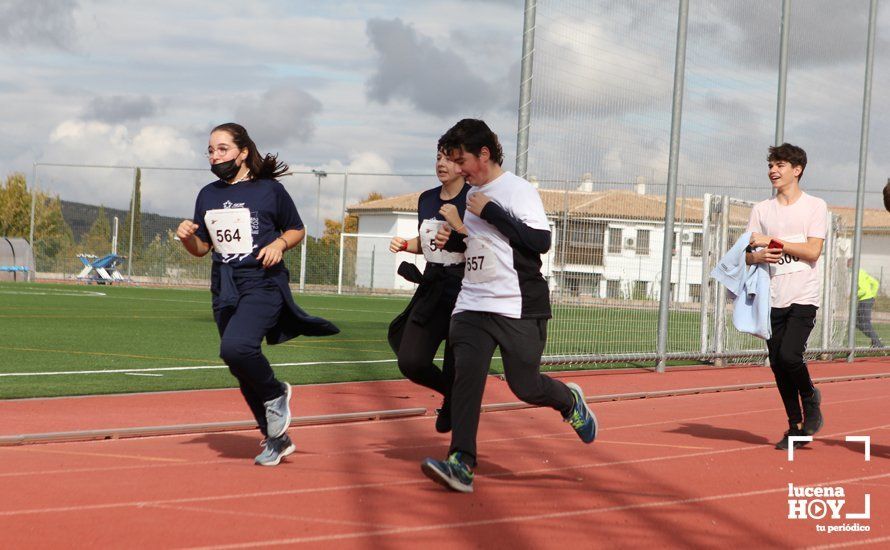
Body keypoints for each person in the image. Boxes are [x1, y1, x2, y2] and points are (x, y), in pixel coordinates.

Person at [420, 119, 598, 493]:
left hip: (517, 305)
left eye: (461, 159)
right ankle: (462, 463)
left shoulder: (518, 191)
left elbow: (538, 242)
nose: (458, 168)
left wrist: (491, 212)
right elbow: (482, 246)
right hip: (472, 303)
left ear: (483, 155)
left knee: (526, 385)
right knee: (465, 379)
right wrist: (453, 240)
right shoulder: (470, 196)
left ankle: (569, 402)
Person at [176, 123, 339, 466]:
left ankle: (275, 392)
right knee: (238, 365)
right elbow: (202, 248)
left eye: (222, 149)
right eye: (210, 150)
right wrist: (187, 236)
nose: (214, 156)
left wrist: (279, 244)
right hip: (225, 285)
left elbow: (297, 229)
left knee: (237, 347)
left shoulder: (269, 190)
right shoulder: (207, 194)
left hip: (263, 282)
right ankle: (275, 437)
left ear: (243, 151)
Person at [745, 143, 826, 452]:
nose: (773, 171)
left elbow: (812, 251)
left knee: (790, 356)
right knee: (778, 364)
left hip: (803, 296)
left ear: (797, 169)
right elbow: (747, 255)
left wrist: (775, 241)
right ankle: (795, 427)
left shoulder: (814, 206)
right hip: (771, 297)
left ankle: (810, 398)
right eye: (770, 165)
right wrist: (758, 255)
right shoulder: (761, 210)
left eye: (779, 165)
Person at [388, 147, 470, 433]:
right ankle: (455, 396)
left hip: (465, 286)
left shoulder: (473, 199)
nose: (441, 164)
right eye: (438, 157)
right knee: (411, 360)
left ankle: (459, 439)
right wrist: (407, 245)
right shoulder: (427, 199)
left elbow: (483, 242)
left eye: (449, 158)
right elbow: (428, 241)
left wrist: (459, 231)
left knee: (455, 362)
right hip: (432, 283)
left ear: (463, 164)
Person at [849, 260, 884, 348]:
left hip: (865, 300)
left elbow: (863, 290)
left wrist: (854, 295)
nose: (848, 269)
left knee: (864, 323)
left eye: (848, 266)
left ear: (852, 265)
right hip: (866, 299)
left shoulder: (858, 274)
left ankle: (877, 342)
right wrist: (873, 295)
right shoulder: (862, 272)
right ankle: (875, 340)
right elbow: (875, 283)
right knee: (857, 322)